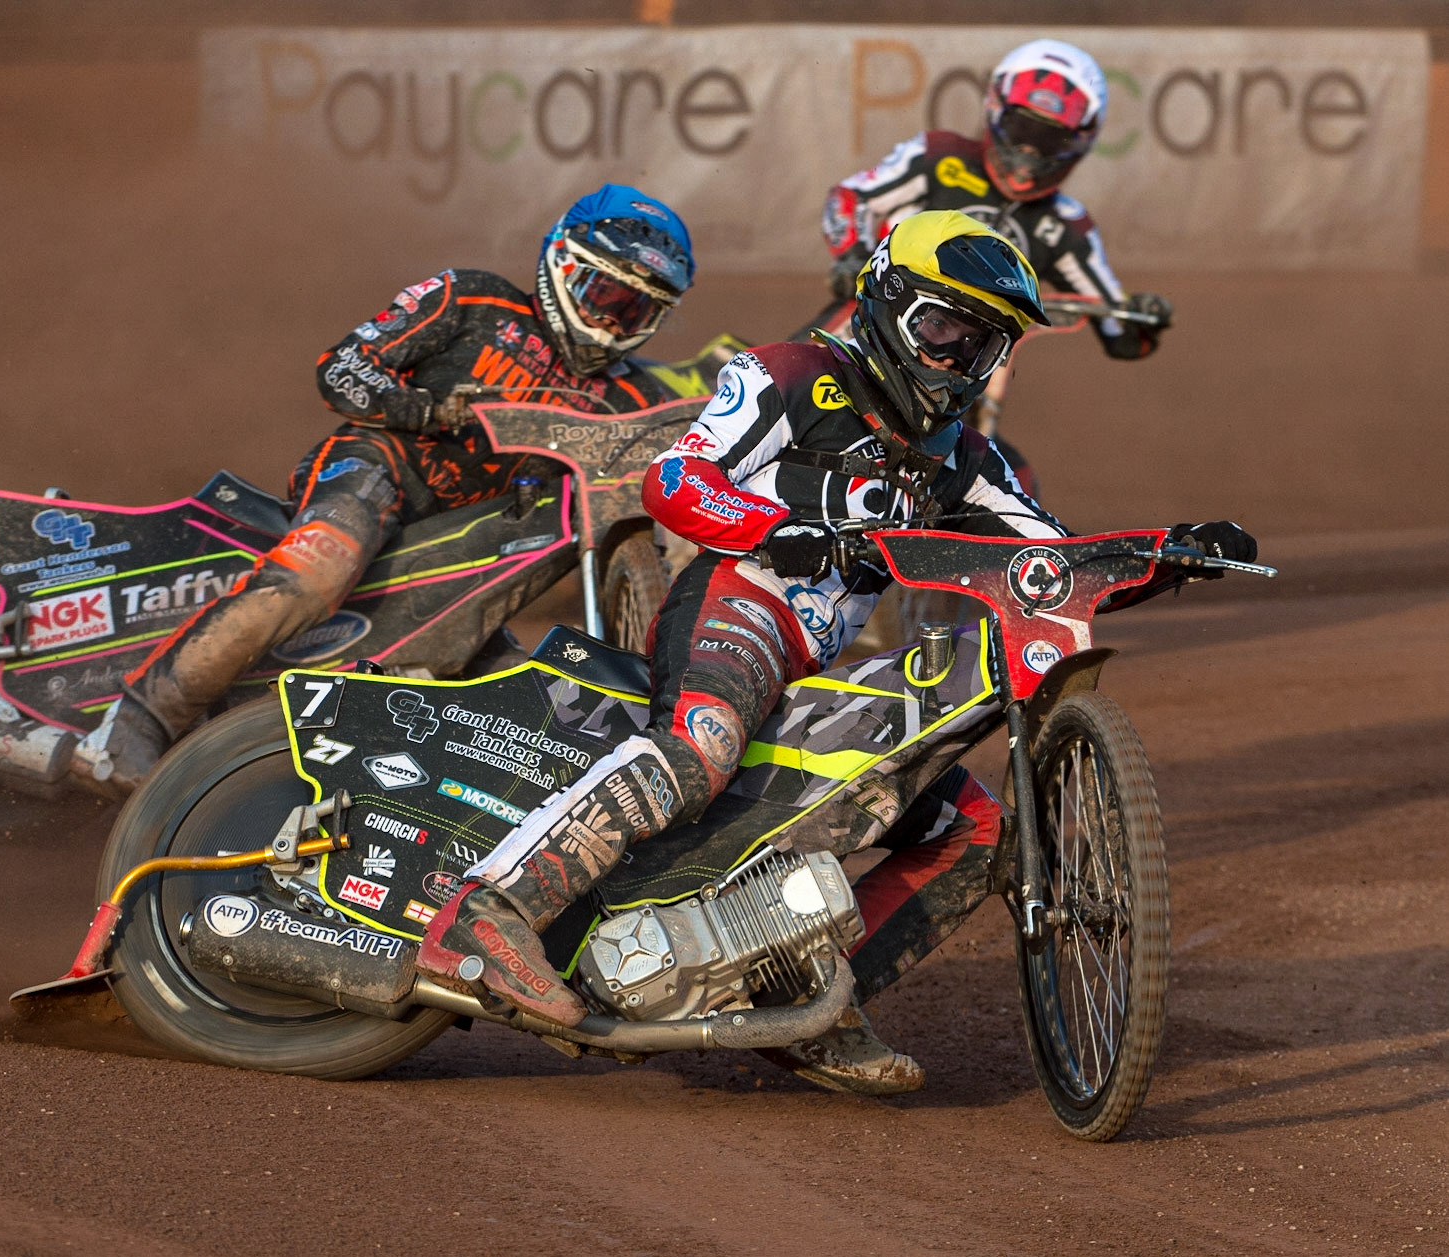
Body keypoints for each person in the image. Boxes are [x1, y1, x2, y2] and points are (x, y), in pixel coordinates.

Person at [418, 211, 1254, 1094]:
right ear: (887, 302)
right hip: (736, 602)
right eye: (940, 329)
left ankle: (808, 999)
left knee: (969, 830)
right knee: (701, 746)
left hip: (816, 662)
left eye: (980, 348)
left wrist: (1166, 555)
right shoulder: (789, 373)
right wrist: (782, 535)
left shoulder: (964, 459)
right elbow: (675, 482)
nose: (953, 362)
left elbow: (1044, 562)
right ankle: (490, 911)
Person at [97, 185, 697, 790]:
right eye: (606, 297)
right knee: (318, 572)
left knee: (519, 704)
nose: (611, 324)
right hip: (378, 469)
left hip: (478, 549)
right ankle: (139, 720)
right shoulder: (473, 298)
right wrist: (414, 406)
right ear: (564, 266)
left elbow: (687, 468)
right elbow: (342, 366)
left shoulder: (635, 399)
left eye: (636, 313)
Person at [812, 39, 1169, 380]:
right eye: (1023, 128)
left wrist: (1144, 319)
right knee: (794, 384)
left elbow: (1123, 335)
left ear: (1080, 140)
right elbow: (850, 197)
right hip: (876, 325)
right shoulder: (938, 156)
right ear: (996, 110)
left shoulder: (1066, 225)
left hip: (967, 366)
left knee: (986, 445)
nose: (1028, 152)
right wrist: (851, 255)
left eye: (1047, 138)